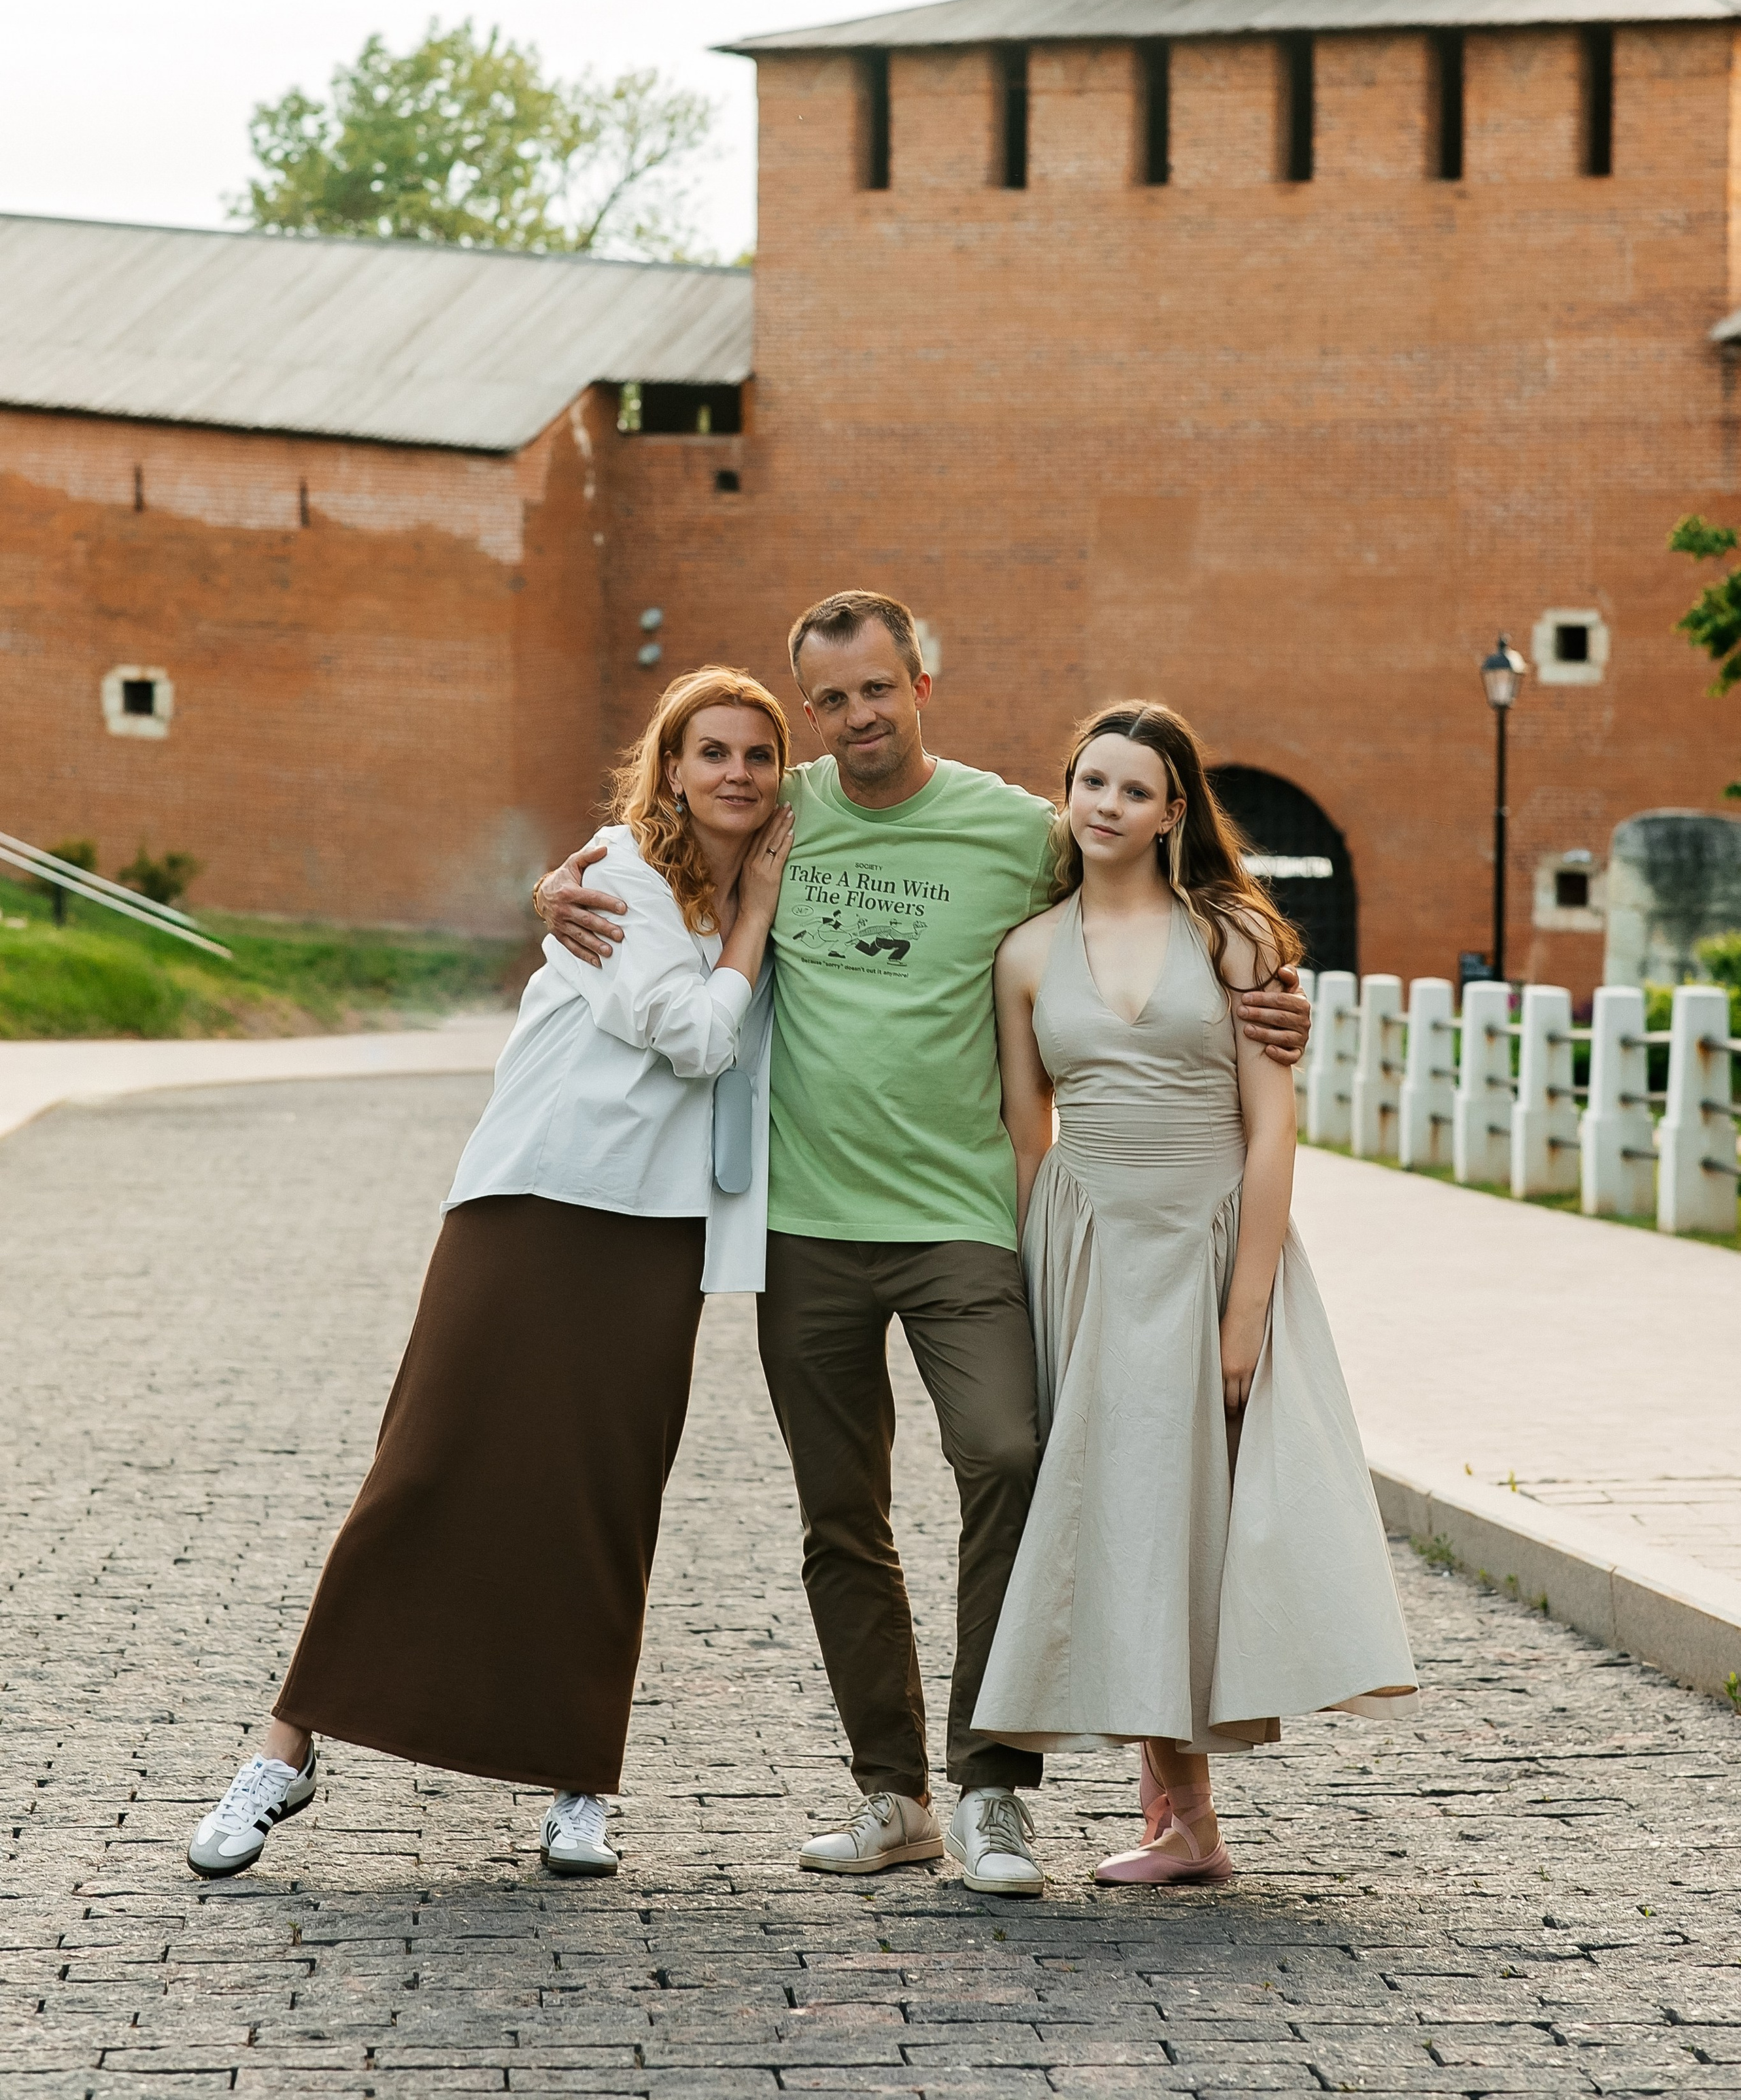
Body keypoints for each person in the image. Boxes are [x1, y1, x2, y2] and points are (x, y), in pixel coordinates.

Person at [537, 596, 1314, 1897]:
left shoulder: (1018, 828)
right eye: (828, 702)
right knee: (841, 1512)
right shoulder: (775, 817)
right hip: (806, 1226)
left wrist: (1267, 984)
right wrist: (552, 885)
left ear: (922, 686)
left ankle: (992, 1788)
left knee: (1008, 1456)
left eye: (877, 691)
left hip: (965, 1221)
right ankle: (891, 1794)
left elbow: (1152, 879)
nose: (856, 721)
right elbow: (647, 861)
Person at [186, 668, 794, 1883]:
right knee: (425, 1461)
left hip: (659, 1229)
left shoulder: (772, 873)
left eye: (759, 756)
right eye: (711, 751)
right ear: (671, 766)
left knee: (604, 1496)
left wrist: (764, 897)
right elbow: (697, 1034)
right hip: (531, 1200)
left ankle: (580, 1780)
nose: (736, 773)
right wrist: (756, 910)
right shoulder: (619, 872)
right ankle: (286, 1747)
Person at [972, 700, 1417, 1886]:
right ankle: (1183, 1821)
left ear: (1175, 811)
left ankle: (1188, 1821)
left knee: (1201, 1517)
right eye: (1090, 781)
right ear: (1066, 793)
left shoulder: (1231, 937)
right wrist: (1028, 1294)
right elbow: (1028, 1138)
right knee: (1128, 1512)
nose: (1107, 803)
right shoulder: (1025, 953)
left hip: (1212, 1242)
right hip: (1088, 1255)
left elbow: (1272, 1135)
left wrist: (1246, 1310)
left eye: (1134, 787)